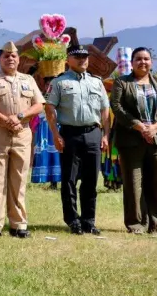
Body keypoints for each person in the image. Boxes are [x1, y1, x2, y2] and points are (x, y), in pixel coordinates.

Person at [0, 42, 44, 239]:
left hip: (22, 134)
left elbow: (39, 105)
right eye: (6, 56)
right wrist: (6, 120)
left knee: (19, 179)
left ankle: (18, 224)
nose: (10, 59)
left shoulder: (29, 80)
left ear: (19, 59)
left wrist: (20, 116)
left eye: (13, 55)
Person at [45, 43, 110, 235]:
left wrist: (105, 134)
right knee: (69, 179)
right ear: (68, 60)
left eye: (85, 56)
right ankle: (73, 220)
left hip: (93, 133)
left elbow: (105, 109)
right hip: (70, 134)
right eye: (77, 56)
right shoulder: (59, 82)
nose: (83, 60)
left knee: (91, 179)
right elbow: (50, 109)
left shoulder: (96, 82)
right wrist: (55, 135)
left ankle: (89, 220)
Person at [110, 47, 157, 234]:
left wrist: (155, 127)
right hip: (131, 141)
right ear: (132, 63)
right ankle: (136, 224)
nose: (143, 62)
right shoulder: (121, 83)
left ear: (151, 62)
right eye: (138, 59)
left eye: (146, 59)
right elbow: (117, 107)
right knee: (133, 185)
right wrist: (139, 127)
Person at [30, 76, 61, 189]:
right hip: (43, 128)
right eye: (47, 85)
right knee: (45, 153)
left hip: (56, 127)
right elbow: (36, 111)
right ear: (44, 86)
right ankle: (44, 178)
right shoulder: (40, 97)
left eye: (51, 85)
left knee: (56, 153)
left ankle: (55, 181)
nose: (49, 87)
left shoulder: (60, 95)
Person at [101, 79, 123, 191]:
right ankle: (111, 182)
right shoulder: (104, 100)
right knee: (107, 160)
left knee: (114, 159)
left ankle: (116, 183)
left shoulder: (118, 100)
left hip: (116, 133)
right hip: (107, 133)